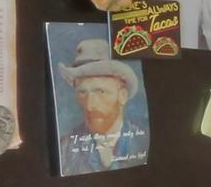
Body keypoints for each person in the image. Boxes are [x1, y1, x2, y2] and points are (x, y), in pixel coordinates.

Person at [57, 38, 147, 174]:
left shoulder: (144, 140)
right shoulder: (63, 148)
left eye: (100, 92)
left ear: (122, 96)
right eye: (82, 92)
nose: (89, 105)